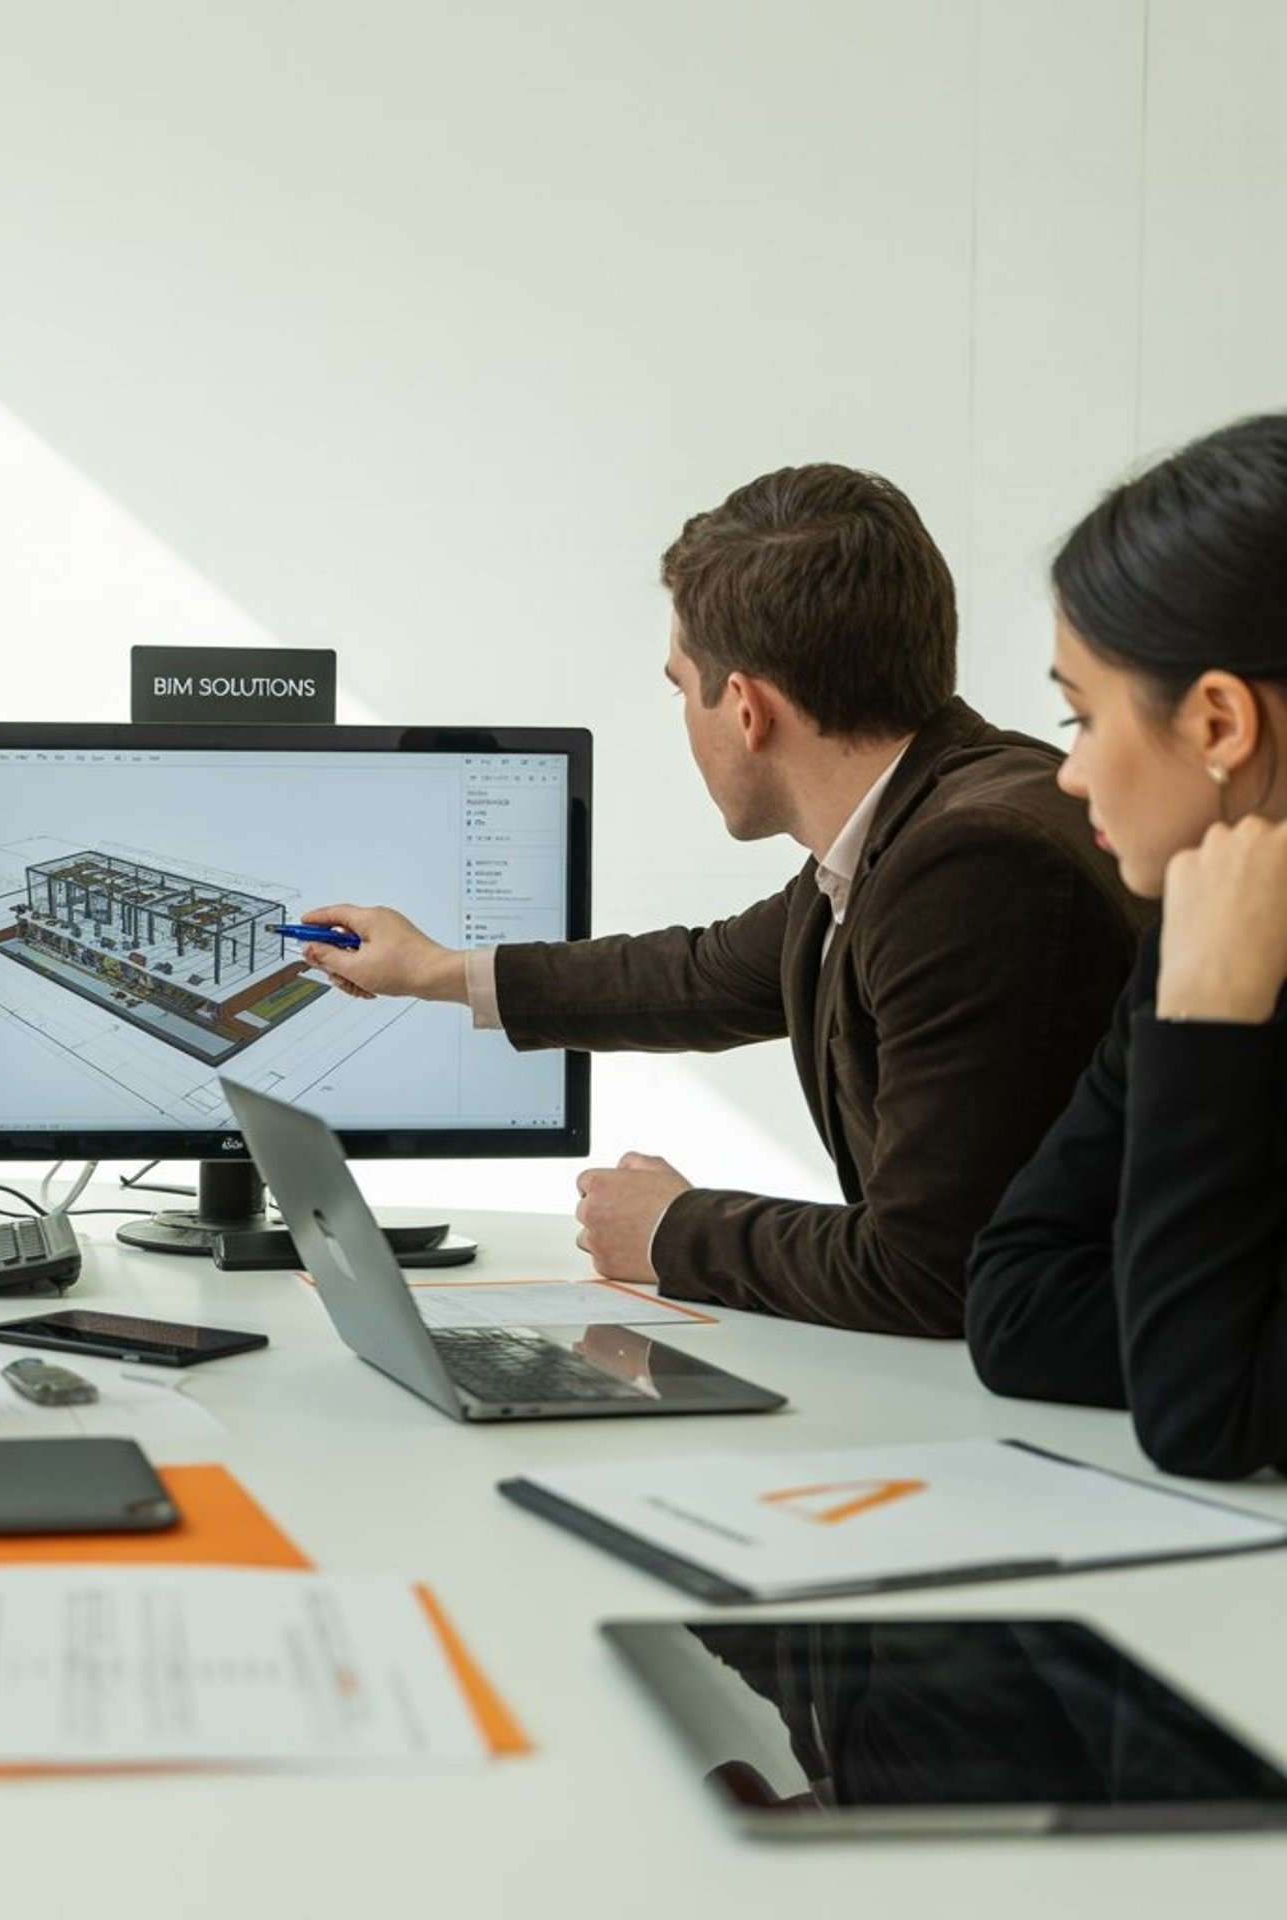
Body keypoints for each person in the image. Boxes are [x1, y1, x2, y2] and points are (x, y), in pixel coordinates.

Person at [301, 464, 1147, 1336]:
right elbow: (701, 974)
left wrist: (673, 1228)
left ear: (745, 708)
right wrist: (434, 970)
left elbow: (934, 1269)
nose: (681, 714)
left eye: (680, 687)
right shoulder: (923, 819)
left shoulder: (971, 865)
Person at [966, 414, 1287, 1479]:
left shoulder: (1208, 975)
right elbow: (1013, 1300)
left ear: (1219, 726)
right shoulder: (1197, 931)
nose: (1070, 773)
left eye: (1081, 720)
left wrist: (1209, 1025)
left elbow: (1204, 1415)